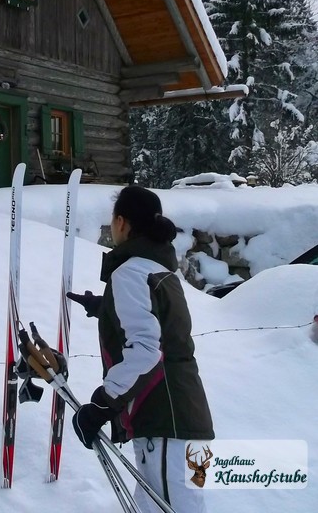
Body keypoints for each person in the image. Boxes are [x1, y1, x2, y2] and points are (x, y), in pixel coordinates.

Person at [68, 185, 214, 513]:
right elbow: (163, 328)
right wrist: (106, 306)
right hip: (186, 418)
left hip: (163, 420)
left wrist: (104, 402)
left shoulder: (129, 272)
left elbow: (147, 349)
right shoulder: (159, 270)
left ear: (121, 222)